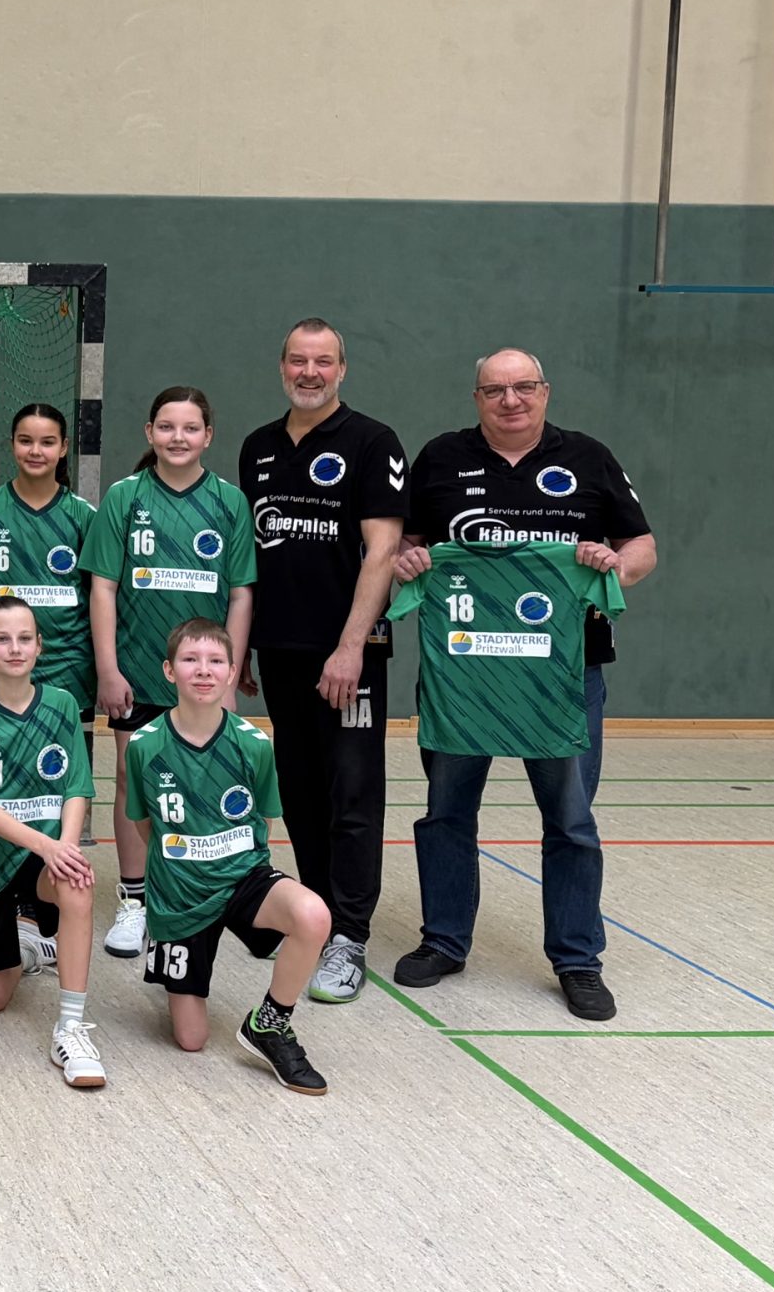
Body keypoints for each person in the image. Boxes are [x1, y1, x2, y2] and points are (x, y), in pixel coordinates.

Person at [390, 348, 656, 1022]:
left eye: (523, 388)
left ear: (545, 392)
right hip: (463, 676)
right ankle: (444, 942)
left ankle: (577, 960)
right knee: (446, 812)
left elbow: (642, 549)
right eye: (494, 390)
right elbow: (407, 544)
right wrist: (411, 557)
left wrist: (608, 568)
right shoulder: (441, 459)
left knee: (570, 821)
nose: (510, 400)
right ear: (476, 397)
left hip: (563, 677)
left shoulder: (589, 458)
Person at [237, 319, 406, 1004]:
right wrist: (243, 646)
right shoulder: (258, 447)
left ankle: (351, 940)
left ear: (343, 370)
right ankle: (320, 915)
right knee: (301, 790)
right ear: (282, 367)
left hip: (348, 657)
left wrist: (350, 647)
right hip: (280, 652)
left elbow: (384, 551)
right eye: (299, 361)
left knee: (352, 794)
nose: (310, 372)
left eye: (324, 362)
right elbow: (251, 556)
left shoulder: (372, 442)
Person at [77, 386, 255, 962]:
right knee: (134, 784)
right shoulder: (125, 498)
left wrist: (226, 676)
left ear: (209, 436)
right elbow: (102, 586)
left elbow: (241, 593)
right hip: (136, 672)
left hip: (203, 676)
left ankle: (204, 896)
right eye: (167, 427)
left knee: (205, 784)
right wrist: (108, 667)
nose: (178, 438)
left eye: (191, 428)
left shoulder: (230, 503)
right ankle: (135, 900)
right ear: (149, 433)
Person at [127, 620, 332, 1095]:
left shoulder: (254, 744)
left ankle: (270, 1024)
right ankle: (179, 965)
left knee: (313, 914)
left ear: (232, 671)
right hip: (179, 893)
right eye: (190, 660)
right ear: (168, 670)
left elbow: (264, 820)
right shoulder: (144, 746)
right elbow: (145, 826)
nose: (203, 671)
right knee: (191, 1040)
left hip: (242, 877)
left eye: (215, 661)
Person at [0, 597, 103, 1089]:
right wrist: (48, 846)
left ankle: (72, 1027)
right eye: (2, 639)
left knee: (76, 884)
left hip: (45, 858)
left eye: (24, 638)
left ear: (39, 645)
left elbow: (77, 786)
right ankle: (31, 942)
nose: (15, 648)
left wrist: (67, 850)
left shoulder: (60, 705)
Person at [0, 401, 99, 754]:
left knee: (66, 774)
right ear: (12, 444)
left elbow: (98, 596)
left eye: (47, 442)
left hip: (70, 668)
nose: (35, 451)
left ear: (64, 447)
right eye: (25, 441)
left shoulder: (84, 516)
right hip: (3, 668)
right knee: (2, 766)